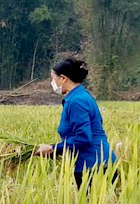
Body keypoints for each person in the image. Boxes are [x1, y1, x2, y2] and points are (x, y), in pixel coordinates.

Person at [35, 58, 117, 189]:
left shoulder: (77, 101)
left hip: (93, 166)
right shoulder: (80, 96)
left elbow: (83, 138)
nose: (52, 83)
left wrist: (52, 148)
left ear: (62, 78)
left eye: (53, 78)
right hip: (98, 162)